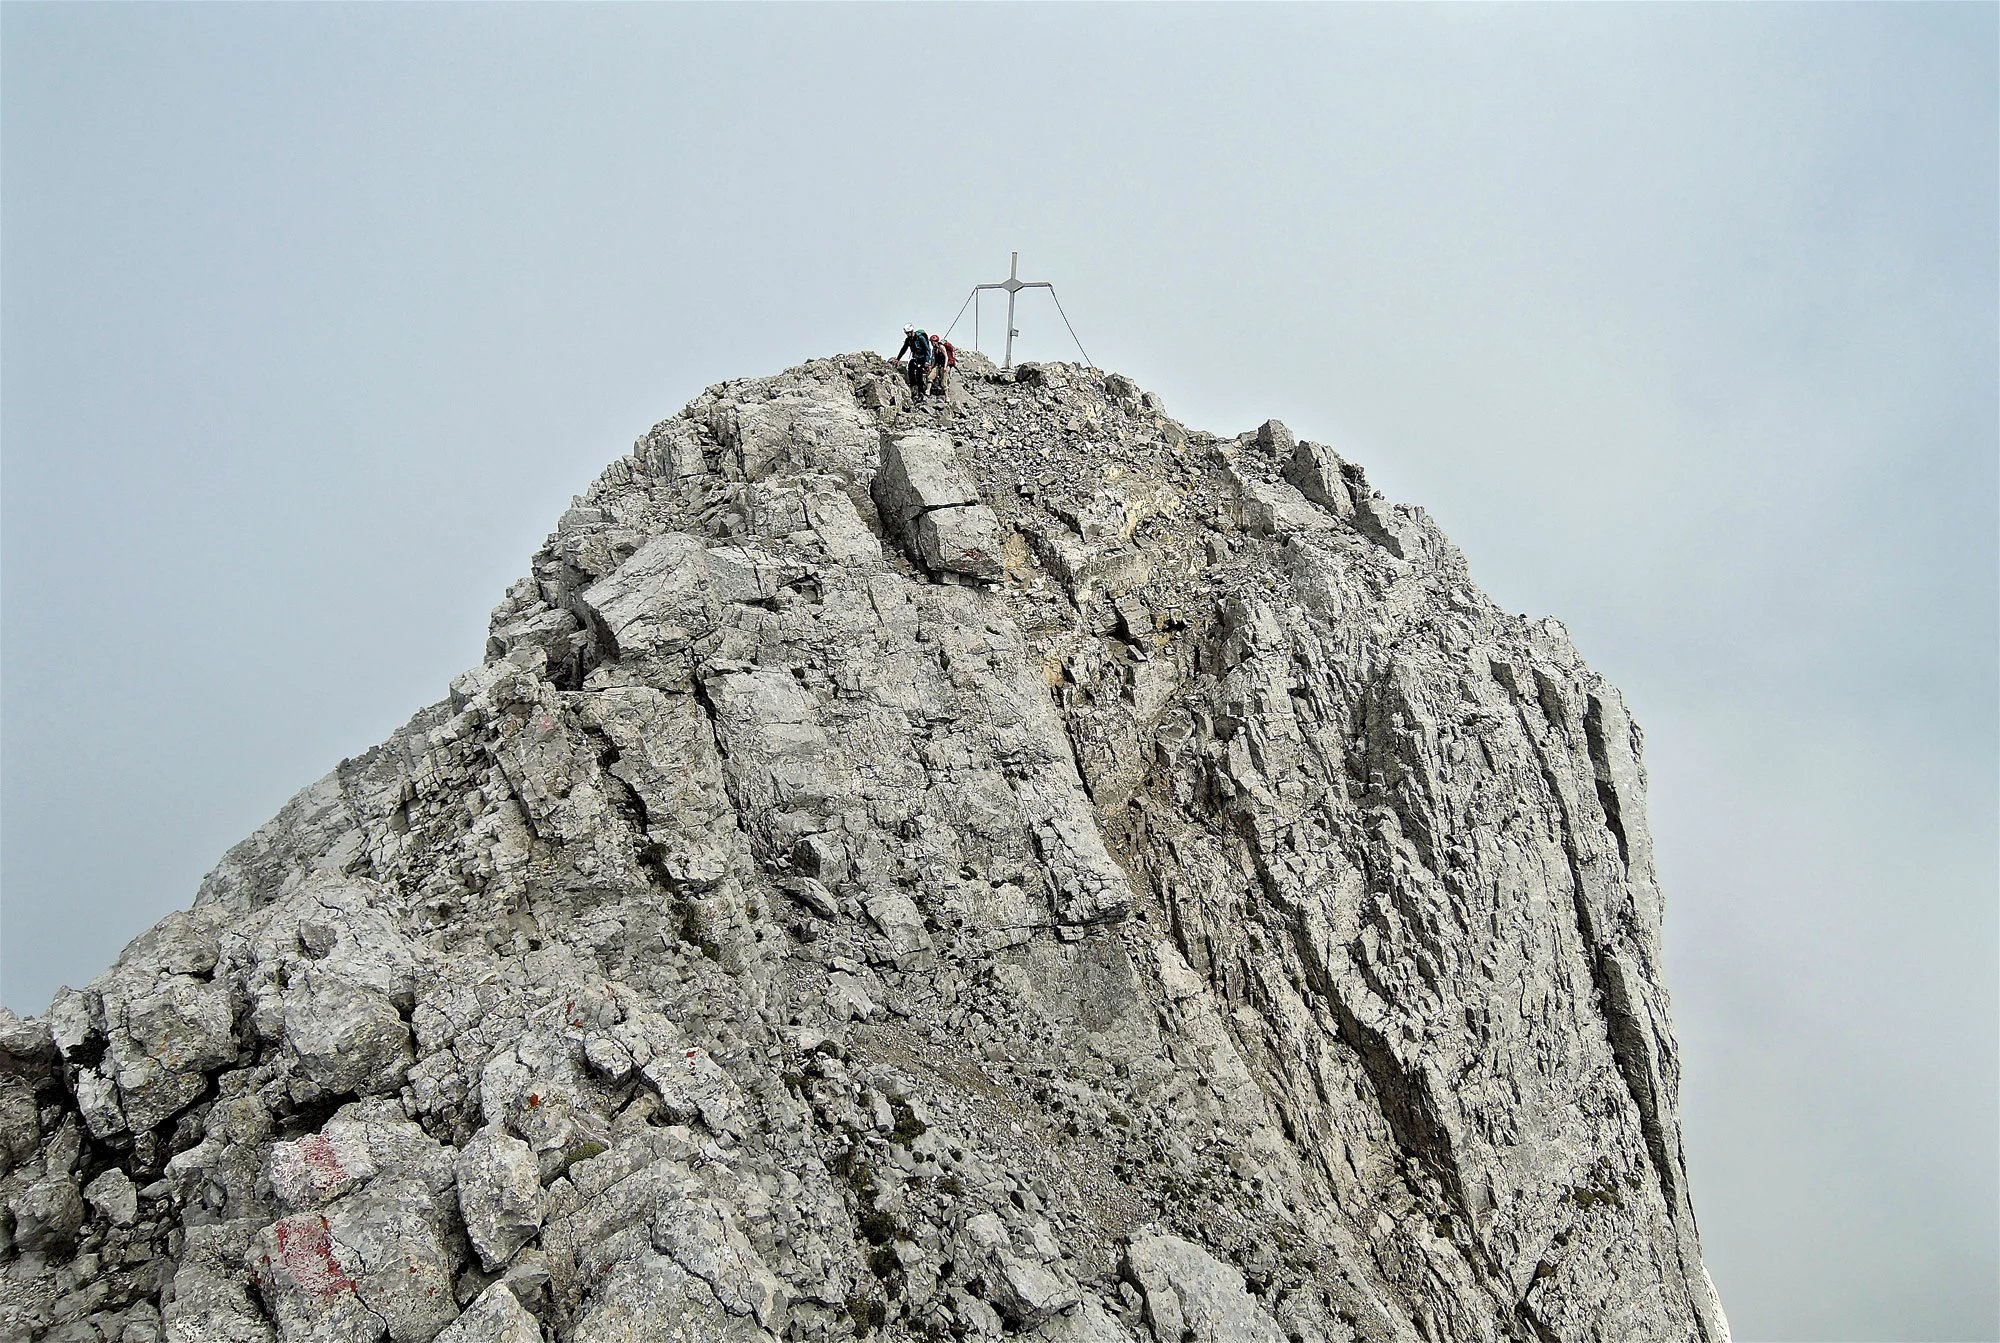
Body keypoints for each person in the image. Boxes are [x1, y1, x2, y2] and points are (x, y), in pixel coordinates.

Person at [894, 325, 932, 398]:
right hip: (916, 358)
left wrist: (927, 361)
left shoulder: (920, 338)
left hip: (923, 359)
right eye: (906, 333)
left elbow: (927, 350)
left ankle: (921, 392)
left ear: (912, 331)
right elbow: (903, 349)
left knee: (919, 373)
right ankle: (913, 387)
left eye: (909, 333)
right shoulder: (908, 340)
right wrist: (897, 359)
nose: (908, 334)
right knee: (910, 368)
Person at [929, 333, 957, 397]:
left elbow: (946, 357)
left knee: (946, 376)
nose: (931, 343)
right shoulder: (935, 349)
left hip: (948, 363)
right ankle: (942, 388)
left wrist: (945, 366)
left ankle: (946, 390)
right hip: (942, 364)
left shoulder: (941, 347)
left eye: (932, 342)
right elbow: (934, 359)